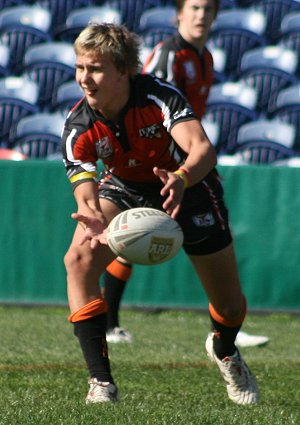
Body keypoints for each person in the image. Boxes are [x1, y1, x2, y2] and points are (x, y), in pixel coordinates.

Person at [62, 21, 259, 405]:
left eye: (96, 68)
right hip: (126, 187)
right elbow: (85, 192)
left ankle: (225, 350)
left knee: (230, 305)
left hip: (191, 188)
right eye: (80, 67)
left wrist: (183, 178)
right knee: (79, 258)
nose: (85, 78)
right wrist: (91, 215)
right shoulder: (77, 126)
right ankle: (101, 383)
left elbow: (202, 149)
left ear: (124, 71)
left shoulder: (158, 96)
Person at [103, 0, 270, 349]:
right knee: (125, 237)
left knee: (209, 239)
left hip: (183, 167)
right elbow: (148, 113)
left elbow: (190, 124)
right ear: (179, 14)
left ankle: (225, 330)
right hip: (156, 167)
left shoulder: (204, 57)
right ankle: (108, 325)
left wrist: (198, 166)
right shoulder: (169, 56)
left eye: (208, 9)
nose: (201, 15)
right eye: (194, 7)